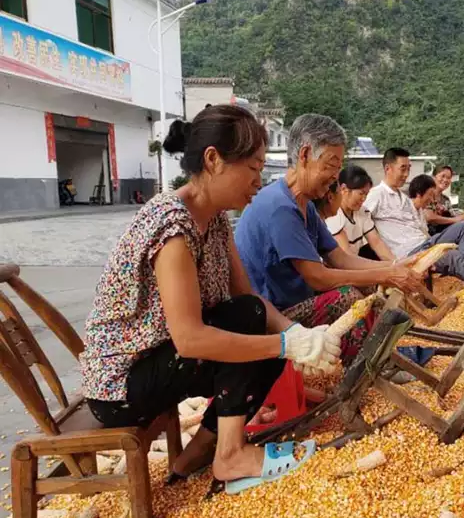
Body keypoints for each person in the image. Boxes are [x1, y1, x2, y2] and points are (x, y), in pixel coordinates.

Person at [79, 105, 341, 495]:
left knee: (254, 317)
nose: (258, 181)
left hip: (164, 360)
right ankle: (231, 453)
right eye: (252, 169)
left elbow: (249, 300)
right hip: (122, 386)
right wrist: (285, 344)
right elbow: (190, 340)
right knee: (254, 328)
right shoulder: (172, 225)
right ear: (214, 160)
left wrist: (298, 336)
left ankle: (199, 454)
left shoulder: (215, 219)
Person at [234, 114, 424, 364]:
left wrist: (395, 266)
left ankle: (384, 353)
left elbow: (341, 259)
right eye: (331, 166)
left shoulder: (306, 206)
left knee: (368, 286)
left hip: (297, 301)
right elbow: (318, 277)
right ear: (304, 156)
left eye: (338, 167)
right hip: (273, 316)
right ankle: (367, 364)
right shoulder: (280, 207)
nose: (336, 176)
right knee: (346, 297)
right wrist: (387, 275)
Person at [364, 148, 464, 283]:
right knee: (452, 256)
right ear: (388, 169)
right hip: (411, 253)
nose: (406, 174)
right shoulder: (376, 195)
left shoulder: (403, 198)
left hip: (426, 243)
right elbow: (360, 222)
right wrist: (394, 263)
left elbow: (420, 226)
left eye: (408, 169)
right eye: (402, 169)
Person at [325, 165, 396, 261]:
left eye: (366, 194)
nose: (364, 199)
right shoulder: (333, 214)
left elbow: (377, 243)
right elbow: (346, 257)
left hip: (354, 264)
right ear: (344, 189)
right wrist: (388, 268)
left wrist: (396, 264)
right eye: (361, 193)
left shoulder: (363, 212)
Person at [426, 165, 464, 235]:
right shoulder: (427, 195)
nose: (446, 180)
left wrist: (463, 214)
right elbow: (429, 217)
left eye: (449, 178)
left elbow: (451, 218)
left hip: (444, 233)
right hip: (429, 235)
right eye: (443, 176)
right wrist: (455, 219)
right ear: (433, 177)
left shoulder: (446, 199)